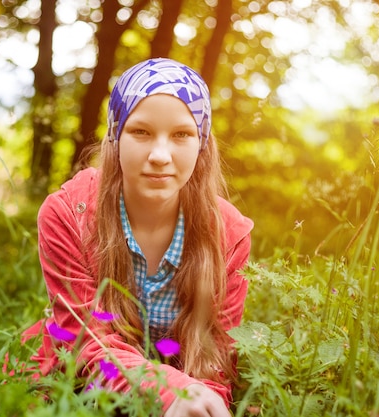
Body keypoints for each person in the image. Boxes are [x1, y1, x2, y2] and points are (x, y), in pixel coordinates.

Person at [21, 58, 254, 416]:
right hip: (76, 386)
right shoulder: (68, 214)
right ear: (115, 135)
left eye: (181, 134)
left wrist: (204, 402)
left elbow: (215, 356)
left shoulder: (230, 235)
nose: (160, 156)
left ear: (201, 142)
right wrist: (171, 392)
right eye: (141, 132)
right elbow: (87, 343)